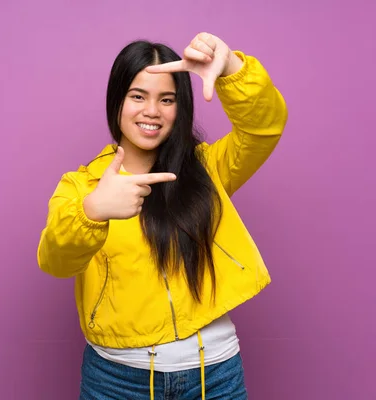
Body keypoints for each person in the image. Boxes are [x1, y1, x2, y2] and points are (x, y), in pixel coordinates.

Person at [37, 31, 288, 400]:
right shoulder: (84, 186)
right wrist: (93, 212)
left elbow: (263, 128)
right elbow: (55, 261)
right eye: (138, 96)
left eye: (166, 99)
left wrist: (232, 69)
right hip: (117, 380)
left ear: (180, 106)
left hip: (214, 373)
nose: (152, 111)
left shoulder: (208, 168)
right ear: (116, 101)